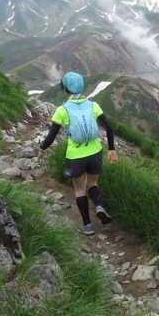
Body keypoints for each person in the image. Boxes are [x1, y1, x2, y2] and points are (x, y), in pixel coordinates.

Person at [37, 72, 118, 235]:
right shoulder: (93, 106)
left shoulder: (62, 110)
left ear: (65, 88)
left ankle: (87, 225)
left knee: (80, 190)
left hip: (76, 155)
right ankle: (99, 206)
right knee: (93, 184)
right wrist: (111, 149)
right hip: (95, 152)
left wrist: (41, 150)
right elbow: (109, 128)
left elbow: (52, 134)